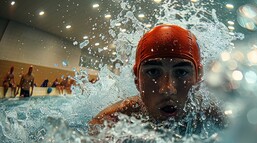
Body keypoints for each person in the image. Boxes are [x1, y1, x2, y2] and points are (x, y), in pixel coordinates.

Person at [89, 24, 225, 130]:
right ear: (137, 78)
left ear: (198, 77)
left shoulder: (215, 115)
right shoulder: (108, 122)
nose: (167, 89)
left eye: (181, 72)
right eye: (153, 72)